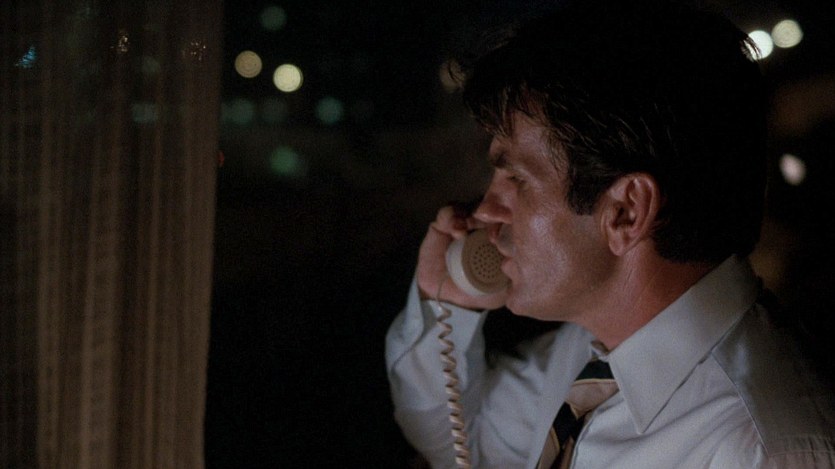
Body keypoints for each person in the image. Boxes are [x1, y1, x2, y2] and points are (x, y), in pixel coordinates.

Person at [385, 0, 835, 468]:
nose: (485, 210)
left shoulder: (760, 449)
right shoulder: (587, 354)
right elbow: (463, 445)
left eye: (516, 178)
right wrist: (447, 305)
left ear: (625, 211)